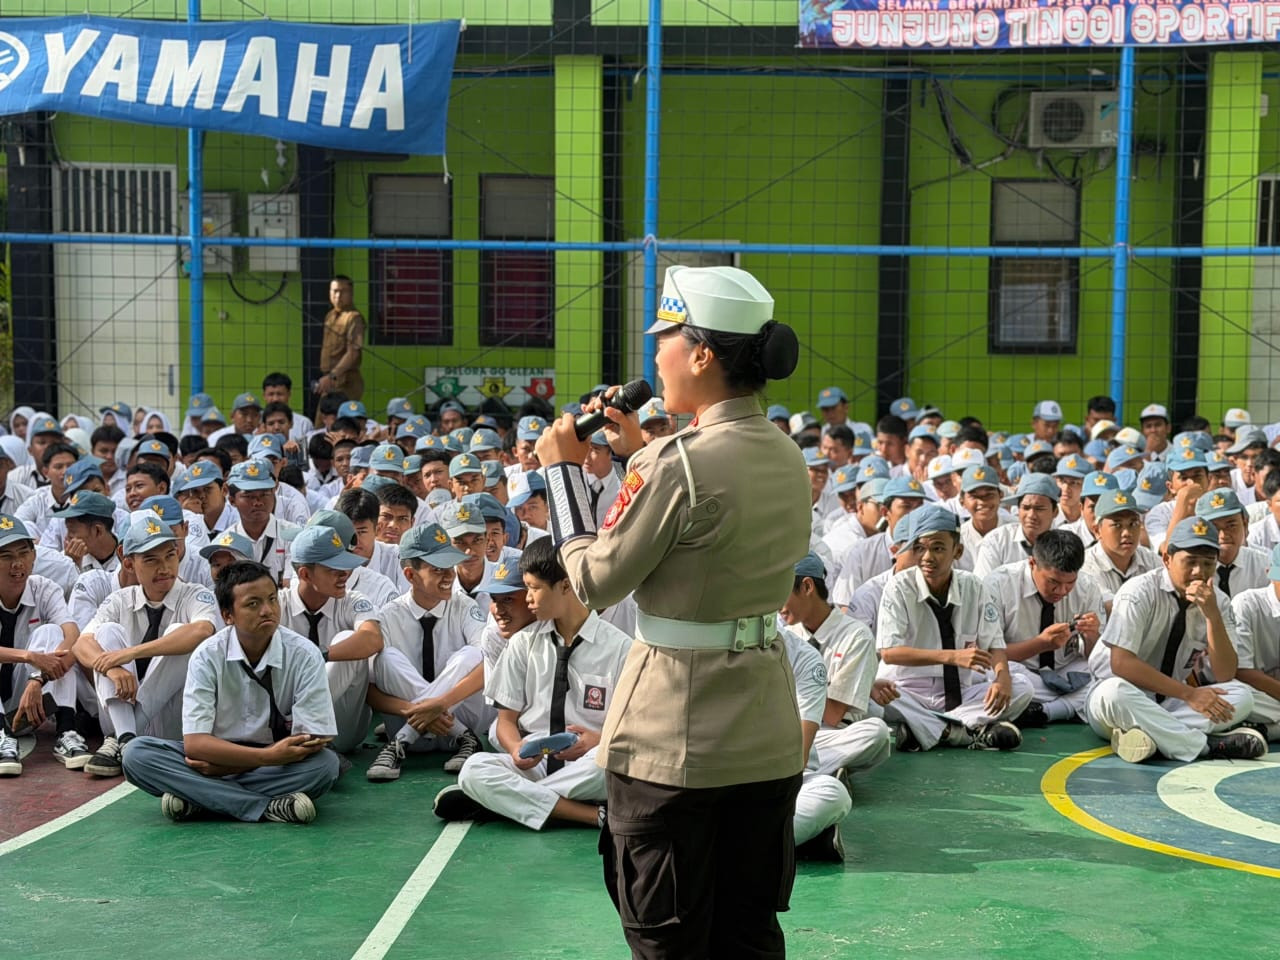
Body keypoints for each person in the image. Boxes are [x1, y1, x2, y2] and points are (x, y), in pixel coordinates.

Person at [532, 265, 810, 960]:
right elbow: (705, 504)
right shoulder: (785, 453)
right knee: (747, 932)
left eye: (666, 336)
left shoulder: (674, 465)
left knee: (669, 939)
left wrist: (561, 471)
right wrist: (641, 453)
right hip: (764, 729)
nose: (655, 353)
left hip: (675, 740)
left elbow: (594, 578)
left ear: (703, 353)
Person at [121, 561, 340, 823]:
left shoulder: (304, 654)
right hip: (219, 755)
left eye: (272, 599)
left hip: (251, 764)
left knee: (325, 766)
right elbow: (195, 743)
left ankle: (201, 799)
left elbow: (312, 739)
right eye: (253, 604)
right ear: (227, 615)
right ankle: (263, 807)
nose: (267, 610)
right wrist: (265, 757)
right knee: (136, 755)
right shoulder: (207, 655)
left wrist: (241, 765)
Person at [435, 537, 632, 829]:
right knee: (474, 770)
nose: (527, 598)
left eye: (534, 588)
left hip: (589, 761)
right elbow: (505, 722)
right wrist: (515, 749)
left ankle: (503, 802)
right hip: (535, 761)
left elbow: (633, 731)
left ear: (566, 585)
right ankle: (591, 815)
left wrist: (599, 740)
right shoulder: (523, 644)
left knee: (617, 762)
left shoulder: (619, 647)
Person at [1083, 516, 1266, 763]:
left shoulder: (1218, 601)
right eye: (1190, 562)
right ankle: (1207, 746)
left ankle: (1151, 737)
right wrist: (1190, 694)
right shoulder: (1139, 591)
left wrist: (1212, 616)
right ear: (1167, 559)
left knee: (1241, 696)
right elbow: (1121, 664)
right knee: (1112, 692)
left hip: (1170, 702)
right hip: (1121, 701)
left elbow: (1225, 674)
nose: (1198, 572)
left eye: (1208, 563)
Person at [876, 505, 1033, 752]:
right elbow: (889, 653)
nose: (927, 557)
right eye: (919, 548)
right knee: (870, 696)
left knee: (1022, 686)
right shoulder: (898, 588)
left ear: (957, 550)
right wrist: (953, 656)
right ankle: (963, 732)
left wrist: (1002, 677)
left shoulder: (974, 586)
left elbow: (994, 644)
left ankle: (927, 729)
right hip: (907, 692)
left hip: (962, 692)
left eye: (938, 548)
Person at [72, 516, 219, 777]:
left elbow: (203, 630)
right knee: (107, 632)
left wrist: (131, 653)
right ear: (128, 562)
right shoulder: (120, 599)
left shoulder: (195, 593)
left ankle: (125, 738)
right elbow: (81, 645)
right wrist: (112, 669)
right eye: (151, 559)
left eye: (170, 556)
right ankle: (127, 739)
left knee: (180, 633)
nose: (164, 567)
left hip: (173, 720)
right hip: (119, 713)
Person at [364, 524, 487, 782]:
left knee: (472, 655)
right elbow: (371, 692)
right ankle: (466, 739)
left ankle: (398, 743)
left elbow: (489, 667)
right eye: (437, 569)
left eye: (449, 567)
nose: (448, 576)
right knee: (387, 658)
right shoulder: (388, 615)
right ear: (410, 575)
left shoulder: (465, 607)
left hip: (454, 718)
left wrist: (440, 704)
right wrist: (418, 711)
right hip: (417, 724)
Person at [985, 529, 1104, 727]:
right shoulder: (998, 584)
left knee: (1109, 670)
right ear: (1032, 563)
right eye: (1053, 582)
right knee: (995, 675)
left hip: (1066, 671)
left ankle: (1043, 712)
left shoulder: (1088, 587)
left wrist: (1092, 637)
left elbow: (1097, 657)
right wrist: (1039, 644)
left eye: (1070, 583)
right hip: (1022, 671)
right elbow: (990, 654)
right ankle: (1070, 706)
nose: (1061, 591)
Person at [315, 275, 365, 402]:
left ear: (351, 294)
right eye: (335, 291)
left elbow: (353, 353)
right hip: (329, 380)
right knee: (322, 420)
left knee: (338, 419)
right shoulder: (330, 316)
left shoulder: (354, 318)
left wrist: (332, 376)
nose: (338, 296)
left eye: (343, 291)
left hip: (345, 380)